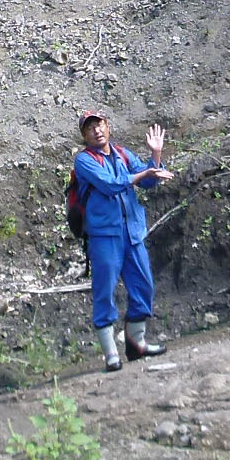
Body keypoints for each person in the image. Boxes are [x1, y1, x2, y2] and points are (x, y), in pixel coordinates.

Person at [70, 110, 174, 371]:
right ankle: (110, 354)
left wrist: (156, 155)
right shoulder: (84, 161)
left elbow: (149, 182)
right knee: (104, 291)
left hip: (132, 232)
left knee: (143, 285)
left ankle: (137, 343)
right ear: (84, 135)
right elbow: (110, 184)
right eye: (90, 128)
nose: (97, 131)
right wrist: (142, 175)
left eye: (100, 125)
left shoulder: (122, 153)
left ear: (108, 127)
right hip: (104, 236)